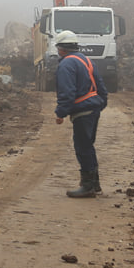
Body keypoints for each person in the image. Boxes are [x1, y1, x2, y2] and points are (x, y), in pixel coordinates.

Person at [53, 31, 108, 198]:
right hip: (93, 108)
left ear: (61, 48)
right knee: (88, 146)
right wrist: (100, 104)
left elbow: (67, 92)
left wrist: (60, 112)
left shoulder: (66, 65)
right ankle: (94, 183)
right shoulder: (86, 60)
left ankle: (88, 185)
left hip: (83, 110)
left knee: (83, 147)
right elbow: (101, 87)